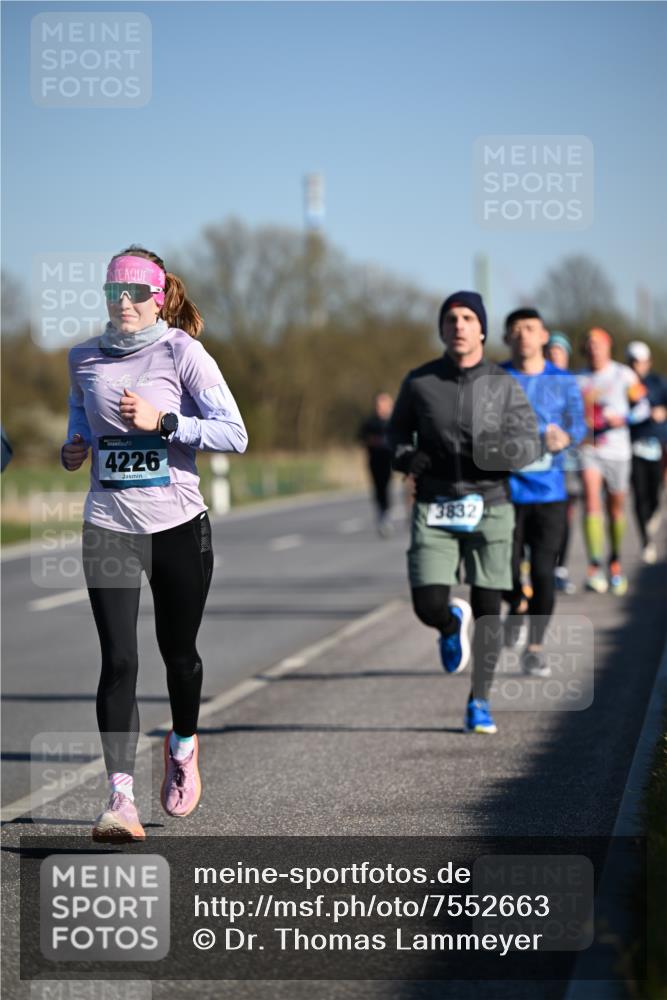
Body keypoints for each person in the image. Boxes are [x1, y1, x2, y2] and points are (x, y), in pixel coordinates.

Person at [61, 246, 248, 841]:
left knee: (179, 654)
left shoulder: (182, 352)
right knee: (118, 660)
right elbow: (78, 423)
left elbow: (235, 433)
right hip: (108, 523)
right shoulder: (83, 358)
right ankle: (120, 799)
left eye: (137, 293)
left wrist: (165, 423)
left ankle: (184, 744)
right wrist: (73, 449)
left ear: (160, 295)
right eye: (115, 293)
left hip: (177, 526)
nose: (125, 304)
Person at [389, 290, 540, 734]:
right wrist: (404, 457)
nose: (459, 325)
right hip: (435, 504)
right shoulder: (420, 382)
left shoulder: (502, 382)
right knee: (426, 603)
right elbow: (396, 432)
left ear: (482, 329)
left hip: (490, 505)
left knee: (489, 607)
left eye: (468, 318)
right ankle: (447, 622)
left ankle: (480, 700)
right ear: (441, 328)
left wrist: (500, 453)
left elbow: (528, 441)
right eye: (451, 318)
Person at [500, 311, 587, 677]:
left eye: (530, 329)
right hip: (506, 490)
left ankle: (534, 649)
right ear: (507, 338)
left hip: (550, 491)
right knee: (503, 573)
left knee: (543, 572)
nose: (523, 336)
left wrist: (566, 437)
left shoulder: (563, 380)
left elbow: (579, 424)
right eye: (516, 330)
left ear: (544, 336)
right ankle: (517, 604)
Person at [576, 328, 650, 594]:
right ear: (586, 350)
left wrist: (623, 419)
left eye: (599, 344)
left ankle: (615, 561)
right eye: (590, 344)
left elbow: (642, 406)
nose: (594, 349)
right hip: (590, 449)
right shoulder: (579, 380)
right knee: (591, 498)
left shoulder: (623, 374)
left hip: (619, 450)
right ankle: (594, 565)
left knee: (615, 508)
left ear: (608, 347)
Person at [545, 331, 582, 594]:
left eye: (560, 351)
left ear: (567, 356)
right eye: (552, 350)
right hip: (537, 461)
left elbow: (582, 424)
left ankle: (560, 568)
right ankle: (536, 567)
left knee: (564, 516)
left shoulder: (574, 384)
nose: (555, 355)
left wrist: (567, 435)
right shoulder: (535, 381)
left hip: (566, 460)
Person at [625, 341, 667, 563]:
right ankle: (646, 541)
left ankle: (654, 512)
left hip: (657, 444)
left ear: (648, 362)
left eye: (640, 362)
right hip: (632, 445)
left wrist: (663, 411)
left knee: (655, 491)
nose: (636, 366)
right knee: (639, 495)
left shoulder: (658, 382)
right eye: (632, 361)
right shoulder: (623, 382)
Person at [358, 392, 395, 536]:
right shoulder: (370, 422)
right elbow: (360, 437)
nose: (381, 408)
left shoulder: (395, 421)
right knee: (377, 488)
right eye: (379, 405)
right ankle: (381, 512)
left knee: (387, 486)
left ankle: (386, 514)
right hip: (374, 459)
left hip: (389, 461)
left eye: (384, 404)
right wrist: (372, 441)